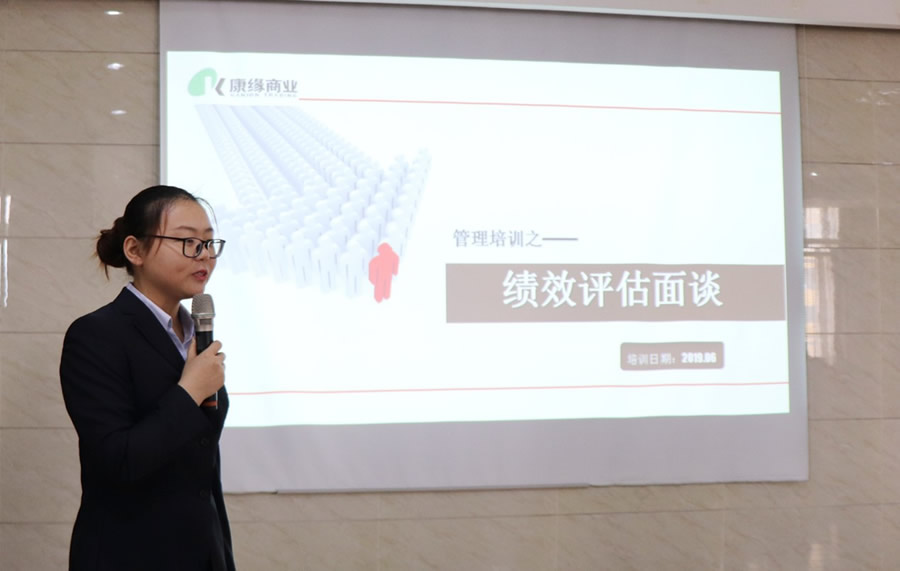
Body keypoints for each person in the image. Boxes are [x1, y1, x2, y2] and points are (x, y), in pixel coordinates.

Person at [59, 185, 235, 570]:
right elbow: (118, 461)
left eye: (209, 242)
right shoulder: (96, 336)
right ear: (134, 250)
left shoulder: (197, 334)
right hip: (127, 555)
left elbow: (202, 471)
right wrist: (189, 391)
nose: (204, 255)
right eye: (188, 242)